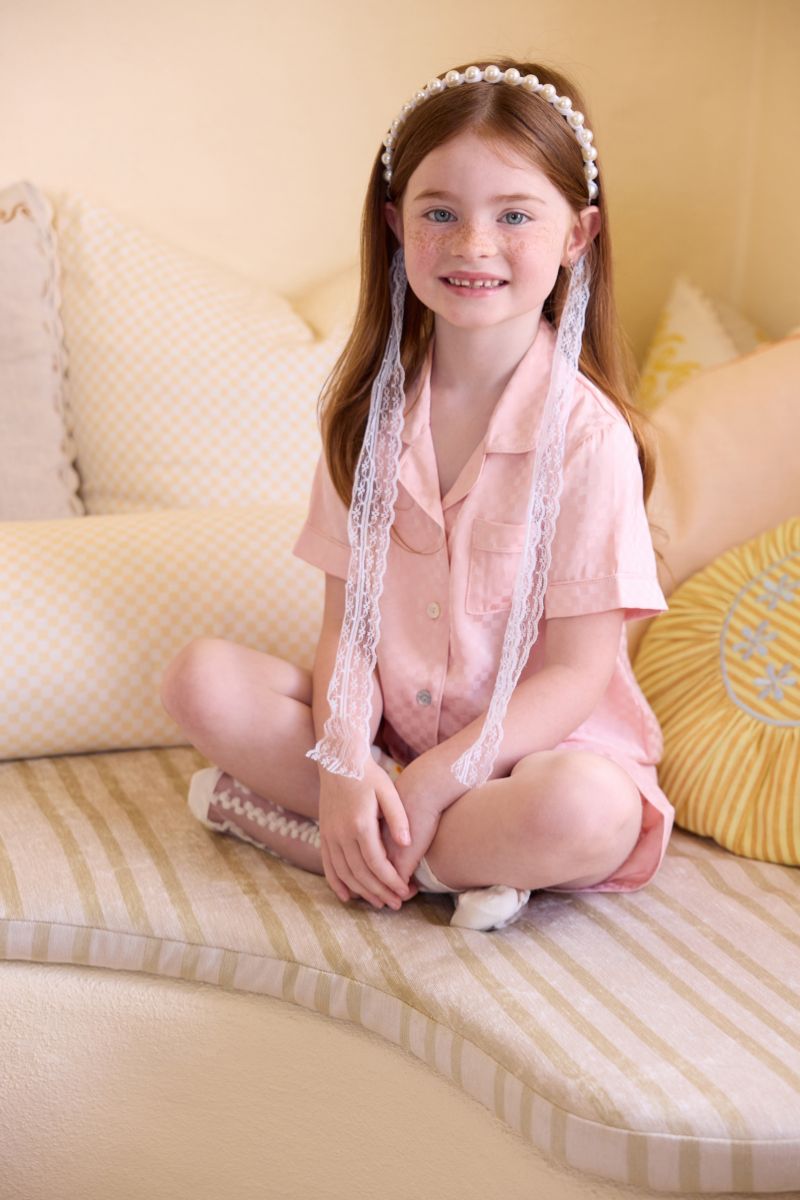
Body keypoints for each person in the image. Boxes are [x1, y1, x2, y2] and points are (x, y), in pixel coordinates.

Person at [160, 57, 673, 932]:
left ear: (577, 236)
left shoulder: (589, 440)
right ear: (397, 226)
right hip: (395, 739)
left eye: (515, 215)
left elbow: (578, 675)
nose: (473, 244)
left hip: (540, 757)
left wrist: (441, 780)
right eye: (440, 213)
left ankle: (331, 844)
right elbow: (347, 630)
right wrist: (344, 763)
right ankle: (431, 853)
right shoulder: (368, 417)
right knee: (200, 680)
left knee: (587, 813)